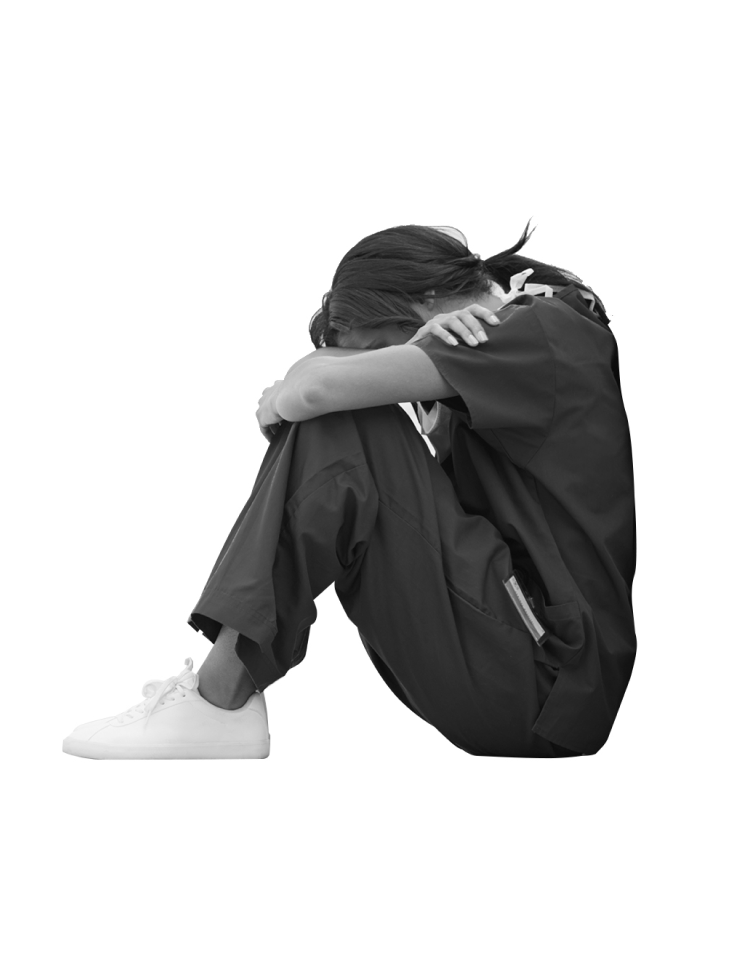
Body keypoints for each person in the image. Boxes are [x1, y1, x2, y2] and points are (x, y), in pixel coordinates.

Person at [62, 222, 636, 760]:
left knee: (345, 422)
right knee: (341, 422)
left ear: (424, 300)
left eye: (379, 346)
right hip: (519, 665)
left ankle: (219, 701)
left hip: (548, 676)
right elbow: (316, 388)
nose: (381, 366)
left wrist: (296, 386)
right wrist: (315, 381)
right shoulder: (502, 336)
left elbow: (313, 394)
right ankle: (220, 700)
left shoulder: (533, 329)